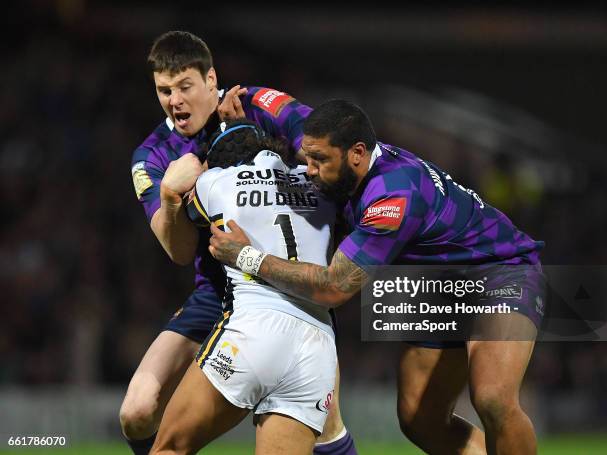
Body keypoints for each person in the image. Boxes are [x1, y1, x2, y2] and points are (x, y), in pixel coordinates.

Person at [209, 99, 546, 455]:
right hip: (438, 287)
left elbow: (334, 286)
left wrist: (247, 256)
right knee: (419, 418)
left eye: (319, 160)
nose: (308, 169)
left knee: (492, 397)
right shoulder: (325, 140)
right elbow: (275, 103)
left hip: (500, 271)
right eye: (307, 157)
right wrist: (229, 101)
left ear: (356, 153)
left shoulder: (392, 195)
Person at [124, 31, 356, 454]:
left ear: (211, 79)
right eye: (164, 90)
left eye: (185, 87)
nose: (174, 101)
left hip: (287, 283)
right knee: (137, 411)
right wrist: (169, 197)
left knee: (328, 426)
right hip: (215, 289)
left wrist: (256, 136)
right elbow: (177, 251)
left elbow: (320, 145)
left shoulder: (257, 104)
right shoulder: (153, 154)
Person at [151, 119, 338, 454]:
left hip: (255, 327)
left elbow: (182, 234)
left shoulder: (214, 181)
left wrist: (172, 187)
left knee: (169, 448)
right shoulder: (319, 185)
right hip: (317, 344)